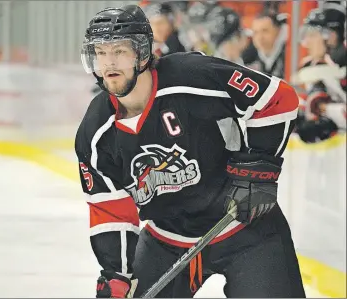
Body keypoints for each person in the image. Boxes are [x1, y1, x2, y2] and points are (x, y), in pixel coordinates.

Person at [76, 4, 306, 298]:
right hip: (166, 239)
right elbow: (110, 209)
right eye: (101, 52)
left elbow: (277, 99)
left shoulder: (194, 76)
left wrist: (258, 171)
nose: (108, 63)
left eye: (119, 51)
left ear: (142, 53)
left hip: (244, 226)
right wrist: (117, 275)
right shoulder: (95, 133)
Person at [294, 8, 346, 143]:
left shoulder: (340, 69)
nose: (307, 41)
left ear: (329, 37)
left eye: (312, 35)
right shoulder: (308, 65)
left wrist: (326, 111)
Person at [244, 12, 288, 78]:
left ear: (278, 31)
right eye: (255, 32)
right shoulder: (247, 58)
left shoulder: (289, 55)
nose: (260, 37)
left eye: (265, 31)